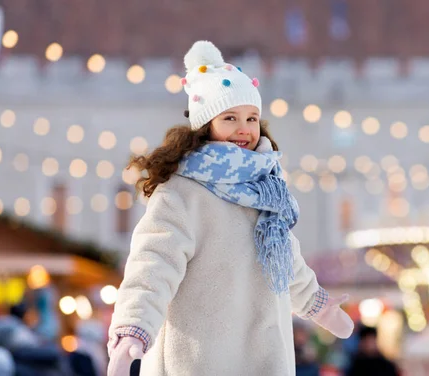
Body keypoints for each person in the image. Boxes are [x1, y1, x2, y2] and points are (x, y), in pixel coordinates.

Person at [106, 40, 354, 376]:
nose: (244, 128)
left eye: (252, 118)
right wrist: (133, 327)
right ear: (207, 125)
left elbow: (284, 259)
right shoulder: (181, 192)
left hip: (264, 354)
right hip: (199, 357)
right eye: (230, 117)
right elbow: (153, 264)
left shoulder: (266, 190)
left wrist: (317, 304)